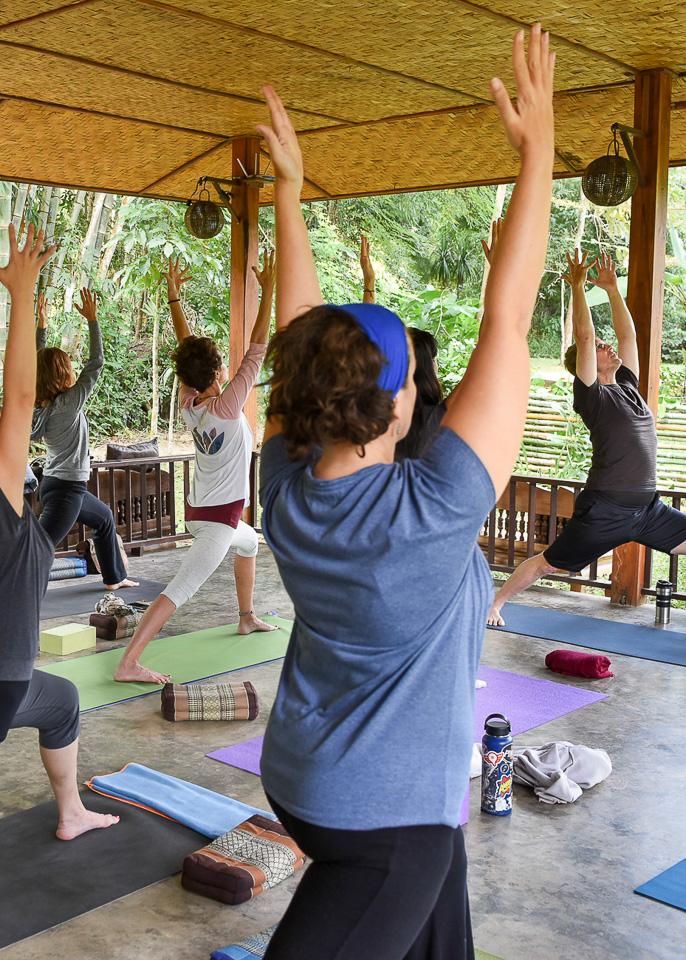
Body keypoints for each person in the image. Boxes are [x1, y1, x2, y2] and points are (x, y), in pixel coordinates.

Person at [255, 23, 555, 960]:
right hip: (383, 832)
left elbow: (301, 330)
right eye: (418, 382)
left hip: (309, 782)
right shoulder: (433, 513)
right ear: (392, 408)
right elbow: (510, 316)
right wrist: (537, 153)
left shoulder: (286, 485)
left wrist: (292, 195)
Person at [487, 249, 686, 626]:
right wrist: (578, 287)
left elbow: (628, 335)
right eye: (599, 347)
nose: (607, 345)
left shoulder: (628, 385)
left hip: (647, 511)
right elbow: (584, 332)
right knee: (548, 563)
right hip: (605, 510)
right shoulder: (592, 396)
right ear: (586, 359)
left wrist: (612, 290)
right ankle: (495, 602)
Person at [0, 224, 119, 840]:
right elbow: (19, 397)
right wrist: (28, 299)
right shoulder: (58, 407)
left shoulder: (48, 407)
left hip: (54, 488)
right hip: (64, 488)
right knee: (45, 548)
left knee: (64, 701)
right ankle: (116, 579)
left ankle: (72, 812)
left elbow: (22, 397)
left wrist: (36, 316)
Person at [114, 253, 277, 684]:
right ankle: (129, 663)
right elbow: (258, 348)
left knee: (250, 544)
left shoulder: (190, 404)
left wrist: (174, 301)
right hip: (217, 522)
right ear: (220, 370)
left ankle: (246, 616)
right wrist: (269, 289)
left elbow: (188, 356)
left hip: (203, 513)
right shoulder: (226, 404)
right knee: (178, 591)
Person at [31, 288, 136, 589]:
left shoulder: (41, 404)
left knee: (103, 519)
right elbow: (97, 362)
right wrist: (93, 320)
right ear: (64, 372)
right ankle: (16, 595)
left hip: (59, 483)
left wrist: (41, 325)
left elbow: (34, 364)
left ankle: (114, 579)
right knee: (37, 548)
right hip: (66, 491)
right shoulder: (68, 403)